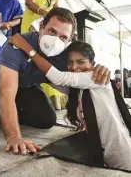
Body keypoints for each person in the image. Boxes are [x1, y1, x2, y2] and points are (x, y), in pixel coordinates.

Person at [0, 7, 110, 155]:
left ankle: (5, 112)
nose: (55, 40)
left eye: (63, 37)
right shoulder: (16, 43)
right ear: (41, 27)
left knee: (46, 120)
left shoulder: (67, 54)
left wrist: (99, 69)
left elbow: (83, 68)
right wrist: (13, 136)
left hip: (28, 86)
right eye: (52, 31)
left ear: (70, 40)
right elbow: (6, 93)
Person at [9, 35, 131, 171]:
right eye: (70, 62)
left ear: (92, 64)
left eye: (81, 62)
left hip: (123, 152)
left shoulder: (96, 78)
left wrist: (27, 48)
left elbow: (57, 76)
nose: (74, 67)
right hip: (103, 153)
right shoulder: (76, 90)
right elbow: (48, 78)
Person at [21, 0, 65, 110]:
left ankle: (51, 99)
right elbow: (30, 3)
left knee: (47, 59)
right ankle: (30, 98)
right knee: (30, 59)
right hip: (31, 26)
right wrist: (44, 12)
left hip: (48, 27)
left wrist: (58, 18)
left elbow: (56, 7)